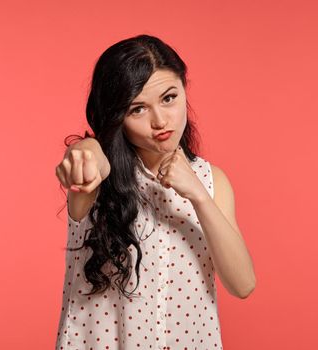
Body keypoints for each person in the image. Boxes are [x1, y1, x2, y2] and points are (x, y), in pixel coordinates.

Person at [54, 34, 256, 349]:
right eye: (137, 109)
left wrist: (198, 194)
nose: (160, 120)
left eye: (169, 98)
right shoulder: (97, 174)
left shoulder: (212, 180)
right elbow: (89, 159)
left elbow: (242, 284)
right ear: (117, 114)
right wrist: (85, 150)